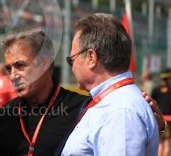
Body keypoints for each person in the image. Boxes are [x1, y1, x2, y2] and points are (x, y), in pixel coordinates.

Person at [62, 13, 159, 155]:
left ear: (91, 57)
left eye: (71, 60)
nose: (72, 67)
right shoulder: (116, 104)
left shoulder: (120, 112)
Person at [0, 30, 88, 156]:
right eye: (9, 69)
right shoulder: (4, 115)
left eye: (20, 65)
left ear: (44, 63)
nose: (13, 76)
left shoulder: (81, 109)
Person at [152, 68, 171, 156]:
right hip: (169, 120)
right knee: (167, 142)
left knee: (160, 143)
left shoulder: (156, 90)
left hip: (159, 119)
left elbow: (152, 104)